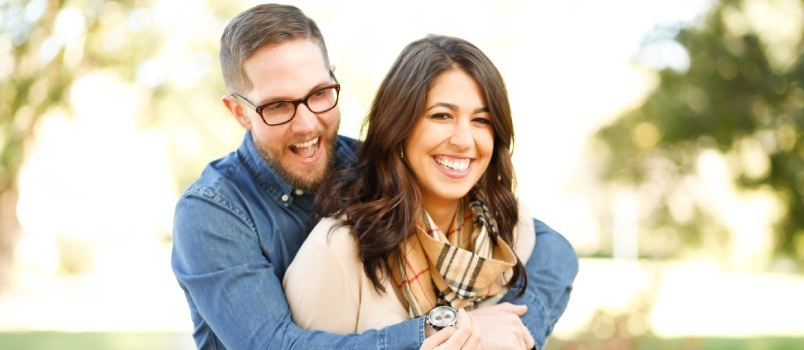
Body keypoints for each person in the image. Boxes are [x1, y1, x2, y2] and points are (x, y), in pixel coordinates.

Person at [171, 3, 578, 350]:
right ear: (239, 111)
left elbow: (551, 248)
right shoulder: (212, 213)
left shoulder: (371, 164)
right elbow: (278, 346)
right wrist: (447, 327)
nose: (308, 124)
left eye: (319, 94)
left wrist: (513, 334)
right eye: (277, 106)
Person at [284, 34, 548, 350]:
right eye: (441, 116)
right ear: (400, 126)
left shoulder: (510, 229)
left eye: (481, 120)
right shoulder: (336, 253)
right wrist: (463, 331)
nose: (464, 140)